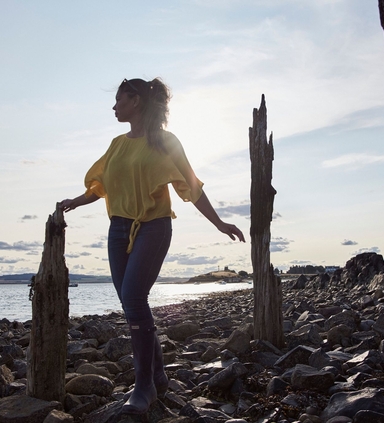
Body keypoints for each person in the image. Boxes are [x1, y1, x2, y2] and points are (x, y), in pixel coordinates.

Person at [58, 77, 245, 415]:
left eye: (119, 100)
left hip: (154, 228)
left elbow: (192, 187)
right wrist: (76, 200)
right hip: (118, 230)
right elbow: (100, 185)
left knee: (132, 298)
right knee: (133, 304)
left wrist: (219, 223)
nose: (114, 107)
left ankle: (143, 387)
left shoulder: (165, 142)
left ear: (137, 102)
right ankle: (157, 376)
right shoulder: (116, 144)